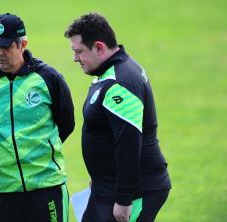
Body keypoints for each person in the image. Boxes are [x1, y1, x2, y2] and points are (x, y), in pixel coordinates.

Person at [0, 13, 75, 222]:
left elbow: (67, 124)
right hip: (1, 189)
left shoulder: (48, 78)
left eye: (5, 47)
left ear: (22, 44)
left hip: (46, 187)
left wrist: (39, 151)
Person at [64, 12, 171, 222]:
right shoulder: (110, 73)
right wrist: (98, 178)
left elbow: (129, 143)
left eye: (79, 51)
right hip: (106, 188)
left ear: (99, 47)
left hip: (133, 193)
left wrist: (124, 200)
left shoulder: (120, 83)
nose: (74, 58)